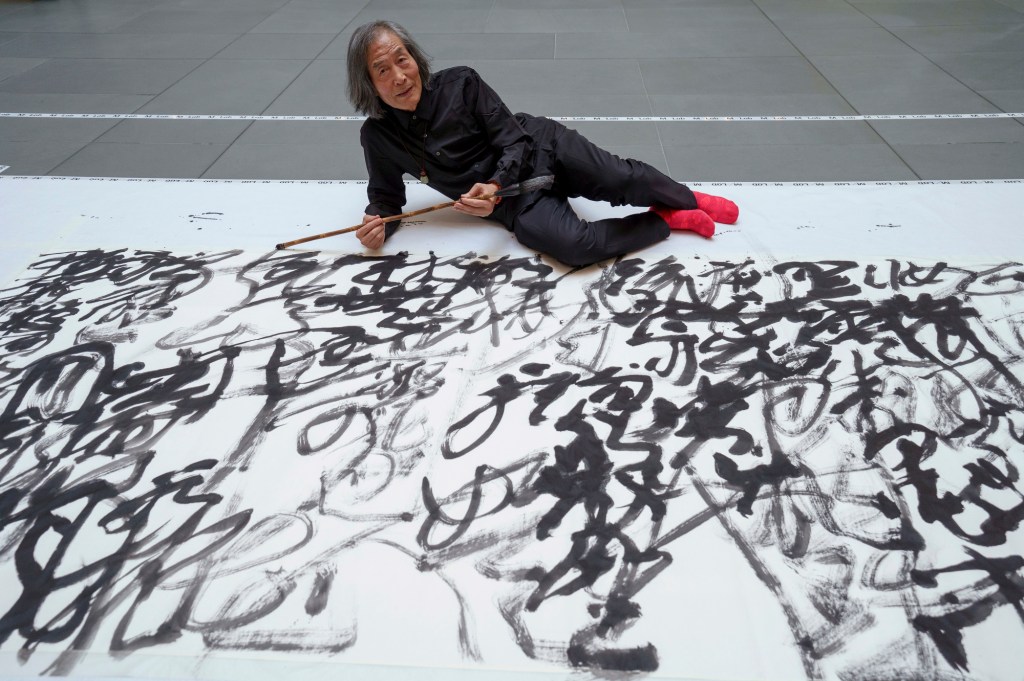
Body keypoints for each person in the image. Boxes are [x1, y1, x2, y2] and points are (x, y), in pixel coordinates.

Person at [347, 20, 739, 268]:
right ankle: (664, 220)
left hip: (541, 148)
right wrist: (378, 223)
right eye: (383, 70)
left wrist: (494, 185)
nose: (399, 76)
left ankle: (687, 198)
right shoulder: (378, 136)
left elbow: (513, 141)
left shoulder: (461, 83)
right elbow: (385, 197)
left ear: (415, 58)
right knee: (574, 248)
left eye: (403, 60)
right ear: (368, 85)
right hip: (515, 203)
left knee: (619, 177)